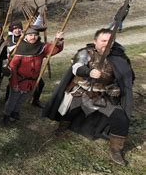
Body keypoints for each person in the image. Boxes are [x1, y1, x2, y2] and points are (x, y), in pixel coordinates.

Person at [43, 28, 134, 165]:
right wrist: (89, 72)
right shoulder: (85, 53)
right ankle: (62, 128)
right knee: (69, 112)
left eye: (110, 41)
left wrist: (115, 87)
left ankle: (116, 150)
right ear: (95, 41)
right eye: (103, 41)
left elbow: (126, 77)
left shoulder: (119, 57)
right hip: (81, 91)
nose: (107, 44)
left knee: (121, 119)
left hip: (102, 95)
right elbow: (77, 67)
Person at [3, 27, 64, 124]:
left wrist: (58, 40)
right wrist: (14, 82)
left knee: (23, 98)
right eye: (30, 35)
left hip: (32, 81)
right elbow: (13, 67)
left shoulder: (41, 47)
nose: (33, 37)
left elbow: (54, 50)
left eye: (35, 35)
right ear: (25, 36)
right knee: (13, 99)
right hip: (19, 79)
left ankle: (15, 112)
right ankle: (6, 115)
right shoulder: (19, 48)